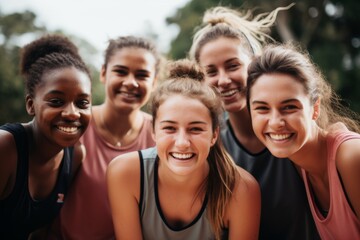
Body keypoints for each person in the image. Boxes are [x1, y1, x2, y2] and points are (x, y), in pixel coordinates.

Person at [189, 5, 319, 240]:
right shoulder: (209, 149)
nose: (224, 80)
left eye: (233, 65)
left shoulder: (294, 132)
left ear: (255, 62)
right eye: (211, 72)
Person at [106, 59, 261, 240]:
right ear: (154, 132)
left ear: (214, 135)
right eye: (170, 128)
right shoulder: (124, 173)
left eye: (195, 129)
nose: (182, 143)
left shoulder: (242, 189)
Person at [50, 36, 162, 239]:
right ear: (103, 73)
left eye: (142, 75)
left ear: (154, 82)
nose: (130, 82)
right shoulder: (74, 125)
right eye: (120, 71)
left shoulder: (162, 134)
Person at [247, 43, 360, 239]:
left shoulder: (351, 157)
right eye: (262, 108)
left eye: (289, 107)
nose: (275, 122)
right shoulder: (300, 166)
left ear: (315, 108)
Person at [0, 34, 92, 239]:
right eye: (57, 101)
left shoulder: (75, 155)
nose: (72, 113)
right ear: (31, 104)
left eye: (82, 103)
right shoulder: (5, 147)